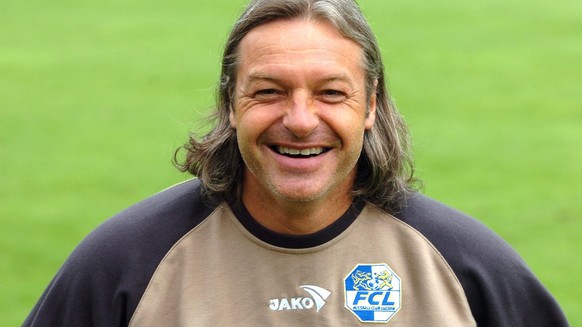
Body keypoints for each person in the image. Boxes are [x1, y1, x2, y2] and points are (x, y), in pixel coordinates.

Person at [24, 0, 569, 326]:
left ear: (371, 105)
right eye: (269, 91)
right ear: (230, 104)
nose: (302, 120)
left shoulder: (468, 269)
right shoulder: (123, 266)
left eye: (332, 92)